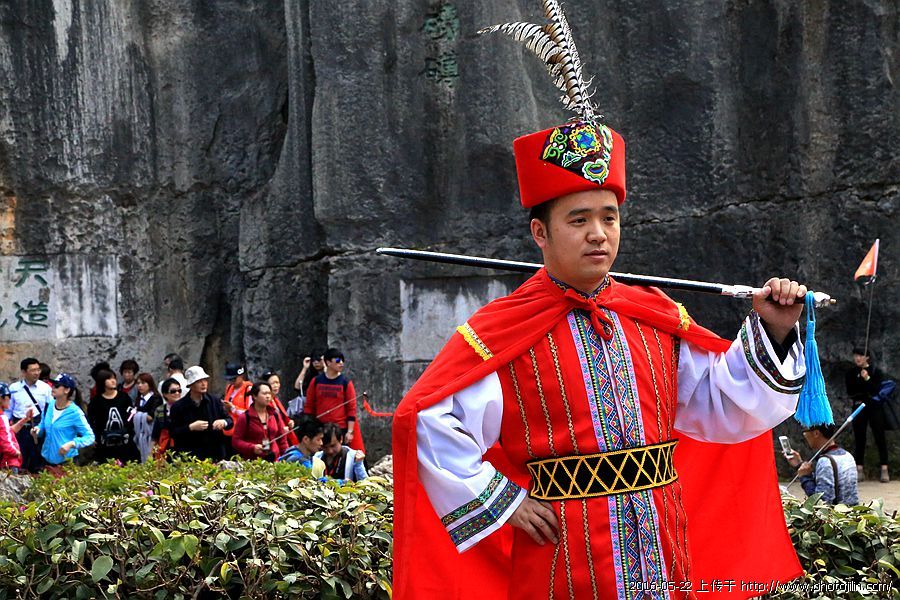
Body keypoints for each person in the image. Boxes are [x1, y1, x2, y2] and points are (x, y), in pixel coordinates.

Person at [392, 9, 813, 596]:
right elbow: (428, 420)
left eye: (609, 217)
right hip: (561, 559)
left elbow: (722, 406)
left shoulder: (654, 317)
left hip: (663, 550)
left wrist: (773, 329)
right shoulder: (502, 331)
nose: (598, 234)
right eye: (578, 220)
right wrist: (503, 501)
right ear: (540, 233)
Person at [304, 348, 364, 452]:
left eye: (342, 361)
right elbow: (309, 405)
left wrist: (350, 431)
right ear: (328, 362)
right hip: (321, 427)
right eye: (337, 361)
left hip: (340, 428)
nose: (341, 363)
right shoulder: (316, 381)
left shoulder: (345, 383)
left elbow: (351, 408)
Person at [168, 366, 232, 462]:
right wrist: (190, 427)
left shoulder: (214, 401)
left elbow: (230, 421)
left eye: (205, 380)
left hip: (215, 454)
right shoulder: (178, 407)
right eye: (198, 381)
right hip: (191, 456)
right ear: (191, 385)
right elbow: (173, 432)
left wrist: (223, 422)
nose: (203, 384)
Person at [845, 348, 889, 483]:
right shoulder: (851, 373)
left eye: (861, 355)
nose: (858, 358)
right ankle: (859, 469)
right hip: (859, 406)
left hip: (874, 407)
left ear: (867, 357)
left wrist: (867, 378)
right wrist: (860, 380)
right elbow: (850, 391)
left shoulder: (876, 372)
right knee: (859, 437)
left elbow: (877, 391)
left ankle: (884, 468)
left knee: (879, 436)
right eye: (856, 355)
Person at [33, 374, 95, 469]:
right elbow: (43, 424)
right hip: (45, 460)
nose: (53, 388)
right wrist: (37, 429)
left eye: (57, 386)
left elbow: (90, 437)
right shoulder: (49, 405)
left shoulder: (75, 412)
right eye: (53, 385)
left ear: (67, 390)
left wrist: (72, 444)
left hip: (66, 463)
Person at [787, 424, 859, 505]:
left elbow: (822, 502)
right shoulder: (847, 455)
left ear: (816, 433)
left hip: (836, 512)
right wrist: (799, 465)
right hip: (851, 510)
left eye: (805, 431)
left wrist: (805, 478)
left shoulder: (825, 461)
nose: (804, 435)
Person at [7, 357, 53, 472]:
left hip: (37, 427)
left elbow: (50, 409)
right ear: (24, 372)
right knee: (18, 459)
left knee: (37, 461)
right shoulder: (14, 388)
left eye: (38, 370)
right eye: (33, 370)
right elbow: (9, 410)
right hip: (19, 428)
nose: (37, 373)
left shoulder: (45, 388)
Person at [88, 369, 139, 464]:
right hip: (104, 444)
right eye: (109, 379)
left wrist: (129, 431)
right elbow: (91, 421)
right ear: (102, 381)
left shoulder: (124, 397)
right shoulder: (96, 401)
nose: (113, 381)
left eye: (114, 378)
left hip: (125, 443)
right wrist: (93, 437)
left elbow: (131, 416)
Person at [231, 382, 282, 461]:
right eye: (264, 393)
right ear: (254, 396)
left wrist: (286, 457)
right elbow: (236, 441)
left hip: (275, 460)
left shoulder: (274, 415)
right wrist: (252, 447)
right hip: (253, 463)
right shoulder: (245, 417)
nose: (268, 396)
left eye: (269, 393)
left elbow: (282, 440)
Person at [260, 370, 299, 447]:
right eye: (272, 383)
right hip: (273, 439)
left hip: (284, 436)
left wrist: (289, 422)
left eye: (277, 383)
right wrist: (280, 430)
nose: (276, 386)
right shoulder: (263, 404)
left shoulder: (275, 400)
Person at [132, 373, 162, 463]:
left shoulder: (156, 398)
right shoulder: (138, 399)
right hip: (140, 434)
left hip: (152, 433)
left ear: (150, 384)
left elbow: (151, 417)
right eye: (138, 383)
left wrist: (137, 414)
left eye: (143, 383)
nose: (140, 386)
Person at [222, 363, 252, 445]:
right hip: (229, 430)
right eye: (230, 379)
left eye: (234, 379)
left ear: (241, 376)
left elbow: (251, 414)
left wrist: (233, 408)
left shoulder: (248, 389)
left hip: (243, 432)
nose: (232, 381)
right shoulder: (229, 388)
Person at [151, 377, 181, 460]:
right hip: (164, 447)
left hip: (181, 447)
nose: (177, 393)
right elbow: (155, 434)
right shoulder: (160, 410)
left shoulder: (185, 408)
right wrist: (152, 453)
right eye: (173, 391)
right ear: (164, 394)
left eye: (179, 390)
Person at [0, 383, 25, 471]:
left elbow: (9, 431)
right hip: (9, 462)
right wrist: (16, 452)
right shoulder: (2, 418)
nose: (9, 400)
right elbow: (5, 440)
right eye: (8, 397)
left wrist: (25, 419)